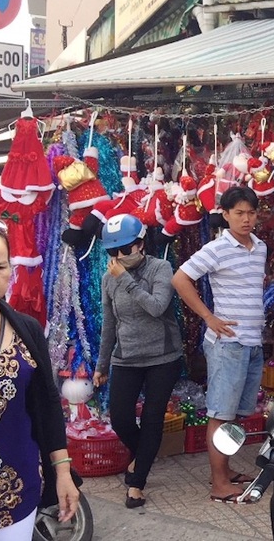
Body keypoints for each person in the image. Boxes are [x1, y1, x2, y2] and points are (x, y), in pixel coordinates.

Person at [0, 217, 79, 539]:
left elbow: (46, 405)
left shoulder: (26, 329)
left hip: (18, 481)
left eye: (1, 267)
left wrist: (63, 473)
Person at [172, 186, 267, 504]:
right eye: (239, 213)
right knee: (220, 414)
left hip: (252, 343)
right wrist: (208, 318)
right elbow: (180, 279)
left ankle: (225, 472)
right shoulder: (217, 248)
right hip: (228, 345)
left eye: (251, 212)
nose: (246, 219)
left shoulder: (261, 247)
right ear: (225, 215)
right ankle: (218, 483)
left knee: (235, 414)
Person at [93, 214, 183, 509]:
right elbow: (109, 324)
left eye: (125, 248)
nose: (119, 257)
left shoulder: (161, 267)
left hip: (162, 357)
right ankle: (144, 453)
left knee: (152, 419)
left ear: (141, 244)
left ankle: (136, 482)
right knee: (119, 418)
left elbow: (157, 307)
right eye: (112, 251)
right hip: (126, 357)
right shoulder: (109, 279)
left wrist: (127, 281)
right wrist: (101, 366)